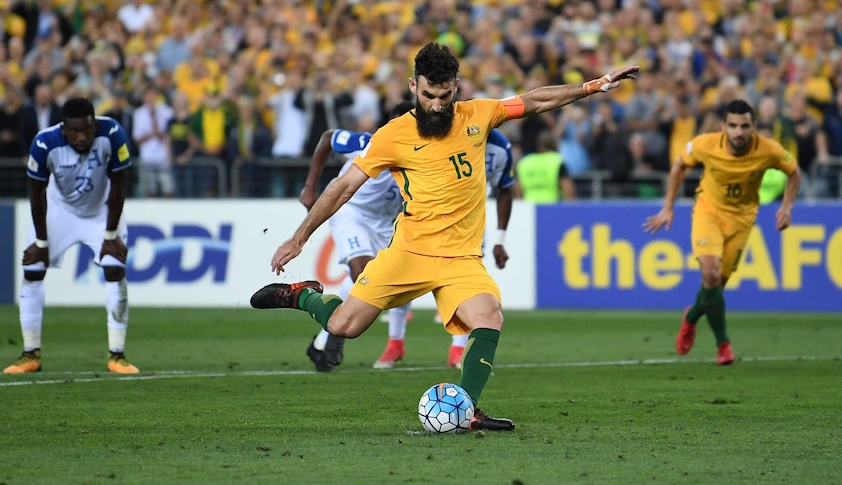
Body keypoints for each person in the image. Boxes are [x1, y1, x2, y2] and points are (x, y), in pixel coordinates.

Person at [252, 42, 638, 430]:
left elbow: (535, 101)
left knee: (488, 317)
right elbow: (342, 187)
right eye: (428, 95)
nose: (436, 105)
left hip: (460, 260)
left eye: (444, 95)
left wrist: (593, 86)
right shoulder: (393, 136)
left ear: (457, 86)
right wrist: (300, 237)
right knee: (342, 327)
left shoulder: (479, 115)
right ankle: (302, 294)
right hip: (408, 253)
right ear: (412, 86)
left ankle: (468, 409)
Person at [644, 99, 800, 366]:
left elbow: (794, 172)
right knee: (710, 272)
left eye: (744, 126)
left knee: (715, 287)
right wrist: (667, 207)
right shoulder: (706, 144)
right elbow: (680, 166)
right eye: (733, 126)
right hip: (709, 212)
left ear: (754, 127)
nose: (738, 132)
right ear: (724, 126)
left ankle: (691, 316)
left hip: (742, 219)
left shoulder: (769, 150)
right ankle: (723, 344)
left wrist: (787, 208)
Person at [3, 97, 139, 375]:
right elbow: (36, 193)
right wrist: (41, 242)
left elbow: (120, 185)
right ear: (63, 129)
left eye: (87, 130)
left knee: (115, 269)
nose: (81, 136)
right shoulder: (44, 143)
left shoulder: (111, 133)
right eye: (75, 131)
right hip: (59, 211)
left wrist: (111, 234)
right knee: (32, 270)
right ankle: (30, 354)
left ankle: (117, 355)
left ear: (94, 125)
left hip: (100, 211)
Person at [375, 127, 516, 370]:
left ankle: (459, 350)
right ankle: (395, 343)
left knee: (467, 287)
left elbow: (504, 189)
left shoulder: (499, 147)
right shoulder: (443, 134)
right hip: (424, 223)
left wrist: (500, 239)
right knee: (400, 276)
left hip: (467, 229)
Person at [298, 101, 415, 373]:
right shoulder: (370, 142)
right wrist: (309, 186)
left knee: (391, 278)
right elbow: (328, 138)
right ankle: (337, 335)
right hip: (350, 210)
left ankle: (321, 342)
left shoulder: (422, 151)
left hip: (387, 220)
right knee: (362, 272)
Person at [514, 130, 576, 203]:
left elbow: (517, 190)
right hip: (552, 207)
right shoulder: (557, 160)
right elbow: (569, 190)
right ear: (555, 144)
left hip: (530, 207)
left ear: (538, 145)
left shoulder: (524, 162)